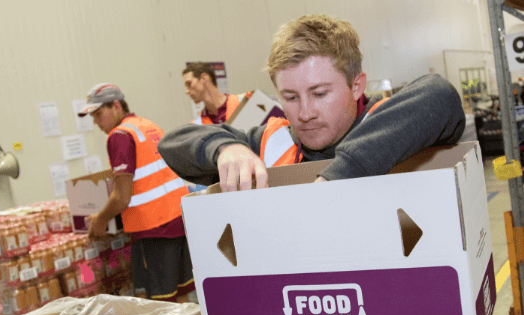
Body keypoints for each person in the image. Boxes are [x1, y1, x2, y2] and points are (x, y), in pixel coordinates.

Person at [159, 15, 465, 192]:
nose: (304, 113)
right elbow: (173, 143)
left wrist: (337, 179)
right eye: (290, 97)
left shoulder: (391, 123)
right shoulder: (270, 143)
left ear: (357, 85)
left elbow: (439, 96)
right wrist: (225, 148)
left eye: (320, 94)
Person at [78, 83, 194, 302]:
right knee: (182, 295)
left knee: (162, 301)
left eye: (98, 113)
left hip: (154, 228)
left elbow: (122, 196)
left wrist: (100, 219)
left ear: (115, 106)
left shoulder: (119, 135)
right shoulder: (147, 126)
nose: (95, 122)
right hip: (178, 218)